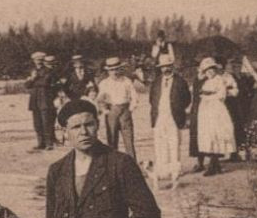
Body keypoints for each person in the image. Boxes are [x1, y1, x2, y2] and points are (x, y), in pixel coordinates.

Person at [147, 54, 191, 187]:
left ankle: (175, 171)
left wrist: (178, 110)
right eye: (163, 67)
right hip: (159, 117)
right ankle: (162, 171)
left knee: (174, 144)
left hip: (174, 117)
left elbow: (187, 99)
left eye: (168, 66)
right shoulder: (156, 82)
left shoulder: (180, 81)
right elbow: (151, 99)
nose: (165, 69)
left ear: (172, 66)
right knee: (160, 145)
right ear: (160, 68)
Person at [193, 58, 238, 176]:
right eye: (207, 70)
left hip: (216, 110)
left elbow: (222, 95)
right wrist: (204, 96)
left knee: (216, 134)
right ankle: (215, 164)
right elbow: (200, 93)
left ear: (215, 70)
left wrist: (208, 97)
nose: (209, 72)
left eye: (211, 70)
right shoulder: (206, 82)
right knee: (208, 135)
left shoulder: (219, 80)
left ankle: (213, 164)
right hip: (206, 111)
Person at [96, 56, 137, 159]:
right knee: (112, 140)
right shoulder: (104, 83)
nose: (114, 72)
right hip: (112, 111)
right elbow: (100, 99)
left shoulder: (126, 81)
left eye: (116, 69)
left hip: (125, 110)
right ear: (108, 71)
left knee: (129, 140)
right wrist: (105, 110)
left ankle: (132, 165)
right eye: (111, 70)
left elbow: (134, 96)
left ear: (120, 69)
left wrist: (130, 109)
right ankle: (113, 165)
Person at [27, 52, 58, 152]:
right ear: (34, 61)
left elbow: (45, 83)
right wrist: (32, 79)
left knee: (46, 122)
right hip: (35, 100)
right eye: (37, 60)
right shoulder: (32, 71)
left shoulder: (48, 71)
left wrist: (33, 80)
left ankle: (49, 143)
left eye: (40, 60)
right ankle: (41, 143)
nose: (38, 62)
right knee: (37, 123)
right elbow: (26, 85)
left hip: (45, 99)